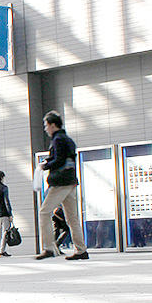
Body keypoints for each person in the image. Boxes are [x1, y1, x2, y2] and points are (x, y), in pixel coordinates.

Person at [36, 110, 88, 260]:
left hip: (60, 183)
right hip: (70, 181)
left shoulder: (57, 140)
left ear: (53, 125)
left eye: (46, 125)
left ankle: (49, 248)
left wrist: (44, 166)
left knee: (44, 212)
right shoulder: (68, 140)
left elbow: (58, 161)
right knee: (72, 218)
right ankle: (81, 250)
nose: (45, 129)